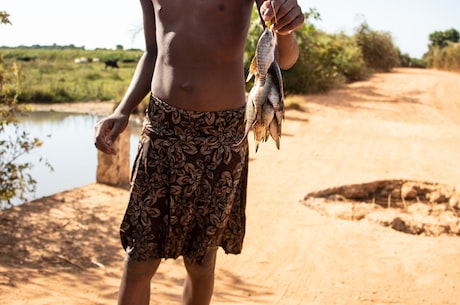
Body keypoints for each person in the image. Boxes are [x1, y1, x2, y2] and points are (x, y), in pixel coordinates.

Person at [94, 0, 304, 304]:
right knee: (139, 257)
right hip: (162, 129)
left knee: (201, 261)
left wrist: (286, 25)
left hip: (222, 135)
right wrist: (123, 109)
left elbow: (285, 58)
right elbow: (153, 51)